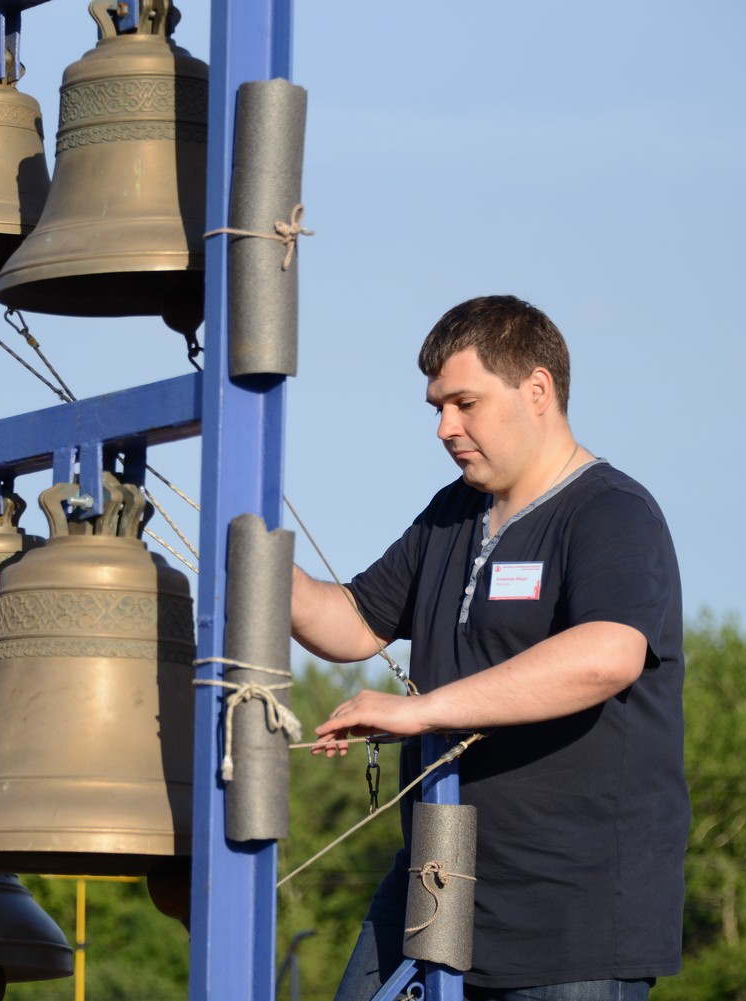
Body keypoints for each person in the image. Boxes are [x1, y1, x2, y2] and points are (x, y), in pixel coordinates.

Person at [294, 296, 687, 1001]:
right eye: (437, 407)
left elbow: (608, 654)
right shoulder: (451, 514)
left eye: (465, 403)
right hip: (438, 877)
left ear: (537, 389)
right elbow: (354, 621)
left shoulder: (611, 512)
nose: (446, 427)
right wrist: (263, 567)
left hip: (573, 913)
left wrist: (424, 711)